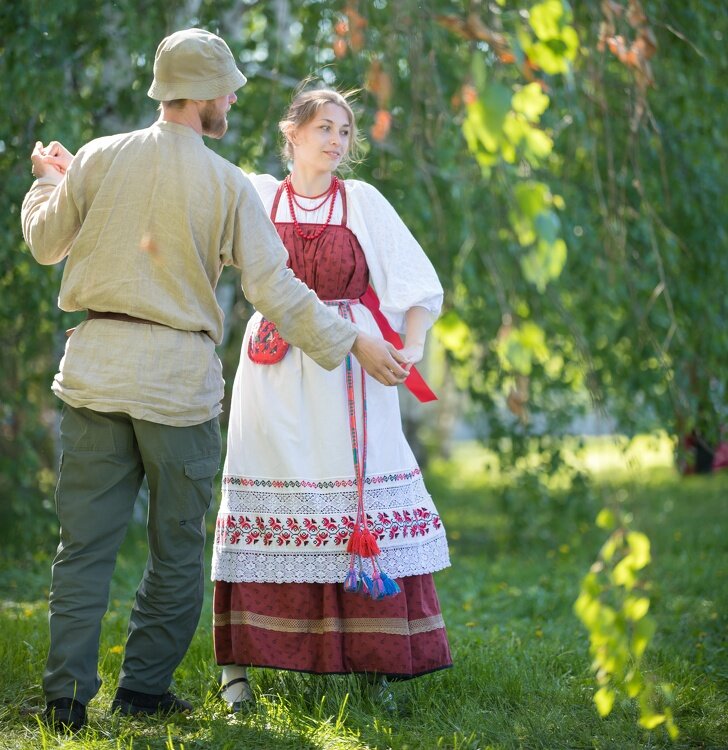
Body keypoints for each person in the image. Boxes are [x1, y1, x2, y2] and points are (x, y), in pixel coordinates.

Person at [21, 31, 409, 733]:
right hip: (176, 387)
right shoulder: (227, 183)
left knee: (83, 549)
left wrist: (49, 182)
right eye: (227, 88)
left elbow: (47, 242)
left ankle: (66, 702)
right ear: (201, 94)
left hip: (96, 375)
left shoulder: (101, 158)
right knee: (176, 547)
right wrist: (351, 339)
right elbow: (279, 292)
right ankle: (143, 691)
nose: (232, 97)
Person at [211, 88, 452, 712]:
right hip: (273, 370)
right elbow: (185, 197)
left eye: (345, 131)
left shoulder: (362, 202)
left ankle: (378, 658)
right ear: (291, 133)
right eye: (324, 127)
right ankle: (237, 674)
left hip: (353, 371)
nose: (337, 141)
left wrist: (411, 346)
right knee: (266, 487)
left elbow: (417, 282)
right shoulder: (259, 195)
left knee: (358, 499)